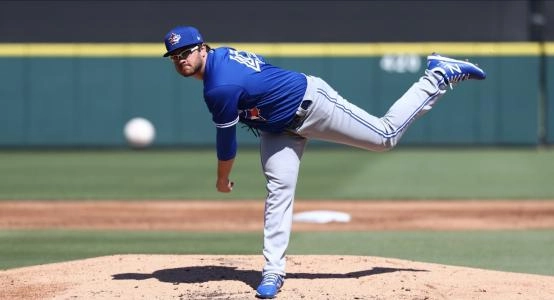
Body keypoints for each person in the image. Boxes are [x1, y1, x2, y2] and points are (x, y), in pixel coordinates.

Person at [163, 25, 486, 299]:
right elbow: (259, 71)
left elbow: (226, 141)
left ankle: (438, 74)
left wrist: (223, 179)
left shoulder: (219, 87)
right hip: (278, 129)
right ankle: (273, 273)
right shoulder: (224, 55)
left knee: (384, 137)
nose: (181, 60)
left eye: (186, 52)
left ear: (202, 49)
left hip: (312, 105)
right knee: (278, 193)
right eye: (175, 57)